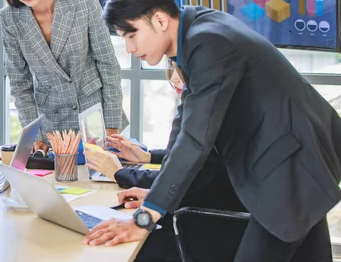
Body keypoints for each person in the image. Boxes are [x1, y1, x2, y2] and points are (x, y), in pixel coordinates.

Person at [84, 0, 341, 261]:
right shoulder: (197, 32)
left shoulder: (208, 43)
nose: (130, 48)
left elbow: (196, 139)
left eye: (131, 35)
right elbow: (183, 129)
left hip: (289, 169)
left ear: (159, 20)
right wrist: (158, 195)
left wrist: (144, 219)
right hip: (297, 160)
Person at [85, 62, 246, 261]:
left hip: (213, 227)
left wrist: (122, 175)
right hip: (207, 211)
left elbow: (187, 174)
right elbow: (190, 167)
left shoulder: (209, 111)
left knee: (122, 247)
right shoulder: (212, 103)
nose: (174, 79)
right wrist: (148, 159)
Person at [0, 0, 128, 151]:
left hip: (95, 116)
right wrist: (34, 135)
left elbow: (108, 65)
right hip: (52, 126)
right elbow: (20, 84)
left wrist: (111, 126)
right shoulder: (10, 18)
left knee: (100, 180)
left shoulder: (82, 0)